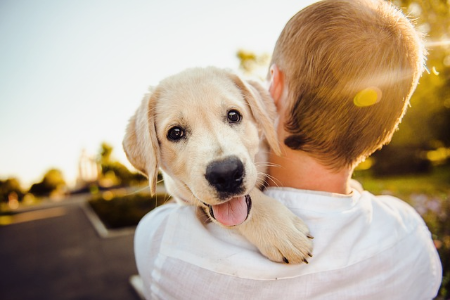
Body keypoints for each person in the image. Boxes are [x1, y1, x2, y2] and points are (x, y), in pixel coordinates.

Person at [134, 0, 442, 299]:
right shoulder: (410, 234)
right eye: (177, 133)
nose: (222, 160)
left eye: (233, 116)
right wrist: (256, 211)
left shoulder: (162, 242)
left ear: (273, 89)